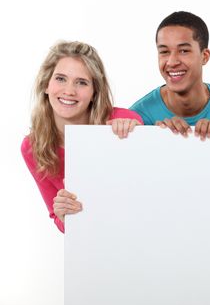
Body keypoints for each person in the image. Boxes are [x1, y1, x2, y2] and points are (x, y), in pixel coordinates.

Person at [21, 41, 143, 233]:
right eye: (61, 79)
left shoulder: (122, 120)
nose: (69, 90)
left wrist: (138, 135)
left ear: (95, 92)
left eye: (81, 82)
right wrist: (63, 215)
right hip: (90, 244)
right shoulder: (32, 146)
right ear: (46, 85)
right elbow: (59, 221)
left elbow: (145, 189)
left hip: (134, 233)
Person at [131, 11, 210, 140]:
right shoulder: (137, 119)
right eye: (164, 52)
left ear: (205, 56)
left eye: (184, 51)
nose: (172, 62)